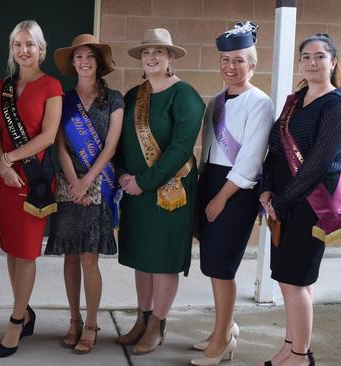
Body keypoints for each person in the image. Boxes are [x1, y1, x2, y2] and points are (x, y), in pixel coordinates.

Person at [115, 28, 204, 355]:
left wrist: (143, 182)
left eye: (159, 52)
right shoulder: (132, 96)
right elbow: (119, 141)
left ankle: (158, 326)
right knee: (143, 256)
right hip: (136, 190)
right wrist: (123, 173)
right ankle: (142, 319)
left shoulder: (186, 96)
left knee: (163, 260)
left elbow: (180, 150)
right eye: (146, 52)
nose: (151, 57)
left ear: (170, 58)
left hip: (170, 191)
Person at [190, 22, 274, 366]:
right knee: (212, 265)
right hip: (212, 181)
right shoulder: (217, 101)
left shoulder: (260, 102)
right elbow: (209, 149)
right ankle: (223, 327)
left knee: (222, 267)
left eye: (238, 60)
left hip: (236, 190)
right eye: (225, 60)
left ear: (251, 64)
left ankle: (223, 341)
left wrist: (221, 197)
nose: (231, 67)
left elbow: (251, 160)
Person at [259, 33, 341, 366]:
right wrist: (266, 188)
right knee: (285, 278)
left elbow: (319, 163)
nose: (312, 62)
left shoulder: (335, 104)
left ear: (333, 62)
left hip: (311, 205)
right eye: (306, 56)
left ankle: (300, 356)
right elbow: (275, 149)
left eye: (320, 56)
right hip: (282, 201)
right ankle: (289, 346)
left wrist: (281, 201)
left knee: (297, 280)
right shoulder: (296, 100)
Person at [0, 20, 63, 358]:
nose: (23, 50)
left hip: (32, 179)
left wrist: (10, 159)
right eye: (17, 44)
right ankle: (25, 310)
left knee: (28, 251)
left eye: (29, 44)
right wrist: (2, 166)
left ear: (40, 48)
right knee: (11, 248)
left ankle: (16, 320)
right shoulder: (1, 87)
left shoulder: (51, 86)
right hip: (6, 178)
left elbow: (48, 136)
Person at [47, 34, 123, 354]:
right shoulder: (62, 100)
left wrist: (87, 180)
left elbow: (111, 146)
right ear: (72, 62)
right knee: (70, 256)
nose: (84, 61)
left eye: (90, 55)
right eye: (78, 56)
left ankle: (91, 324)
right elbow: (59, 144)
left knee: (90, 258)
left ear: (99, 61)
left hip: (99, 182)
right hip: (69, 186)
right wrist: (72, 180)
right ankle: (74, 320)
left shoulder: (115, 99)